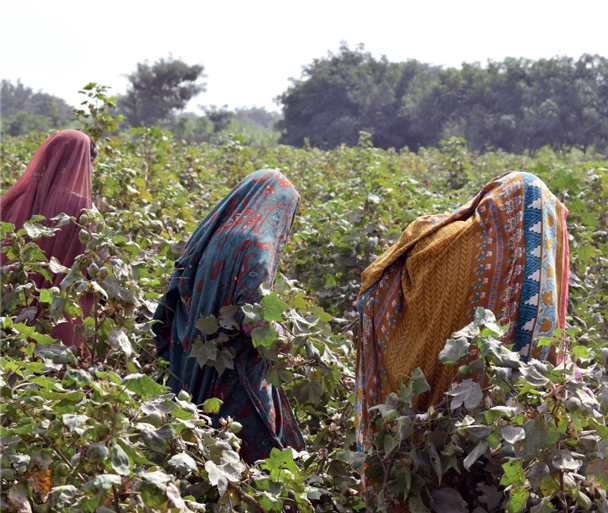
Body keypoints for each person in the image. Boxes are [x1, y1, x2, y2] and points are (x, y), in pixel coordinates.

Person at [355, 171, 570, 456]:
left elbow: (387, 278)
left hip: (433, 419)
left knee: (428, 451)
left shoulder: (453, 241)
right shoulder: (544, 276)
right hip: (508, 436)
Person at [153, 169, 305, 463]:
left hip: (196, 354)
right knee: (257, 458)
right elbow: (252, 320)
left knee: (198, 439)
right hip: (232, 375)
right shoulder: (258, 243)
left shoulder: (218, 231)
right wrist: (286, 340)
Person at [0, 130, 96, 347]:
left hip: (8, 307)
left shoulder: (17, 199)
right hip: (54, 322)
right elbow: (97, 262)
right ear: (83, 164)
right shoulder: (84, 211)